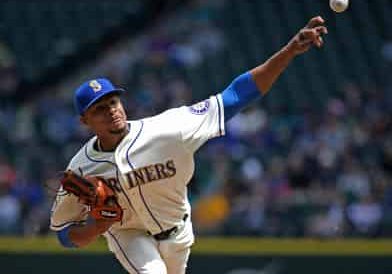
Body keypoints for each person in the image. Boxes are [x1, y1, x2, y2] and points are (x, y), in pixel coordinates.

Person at [50, 16, 327, 274]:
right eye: (99, 109)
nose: (111, 110)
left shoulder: (168, 129)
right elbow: (65, 234)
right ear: (85, 120)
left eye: (113, 102)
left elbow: (235, 96)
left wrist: (289, 51)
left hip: (179, 232)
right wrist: (97, 227)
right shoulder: (81, 168)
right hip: (129, 235)